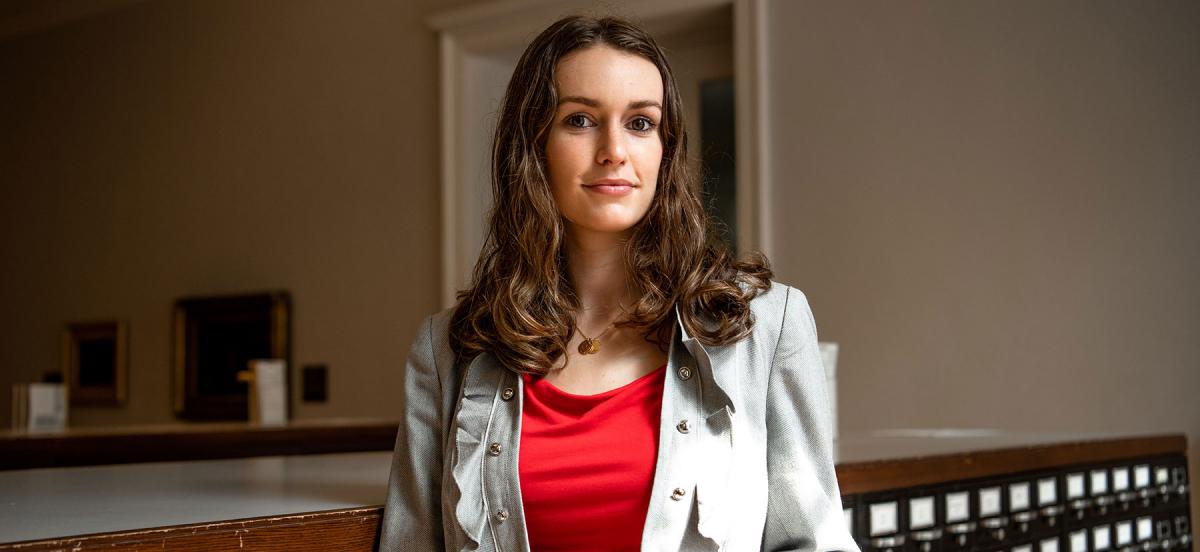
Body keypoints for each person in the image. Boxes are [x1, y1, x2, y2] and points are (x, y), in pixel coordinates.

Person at [380, 15, 857, 552]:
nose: (614, 150)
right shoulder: (449, 350)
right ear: (532, 145)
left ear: (665, 148)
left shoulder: (765, 325)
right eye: (580, 119)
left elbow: (813, 543)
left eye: (640, 123)